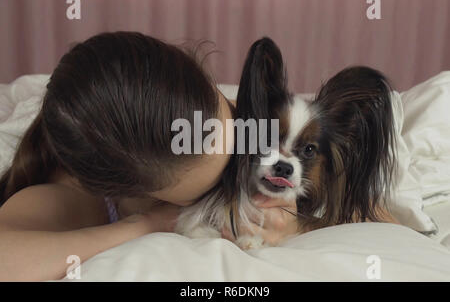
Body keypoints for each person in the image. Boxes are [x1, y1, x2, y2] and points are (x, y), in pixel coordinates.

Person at [0, 32, 298, 281]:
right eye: (212, 188)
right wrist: (149, 223)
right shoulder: (73, 196)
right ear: (128, 190)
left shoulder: (223, 117)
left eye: (233, 116)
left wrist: (296, 221)